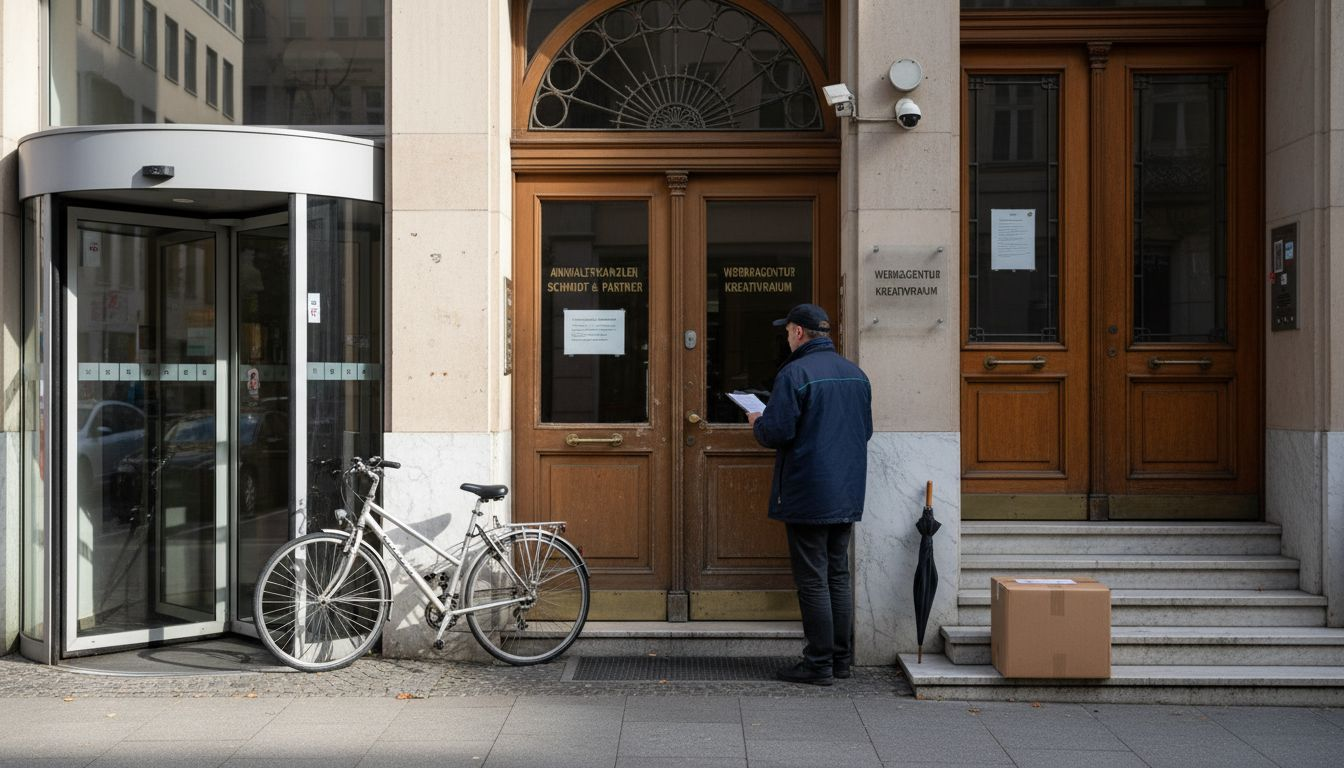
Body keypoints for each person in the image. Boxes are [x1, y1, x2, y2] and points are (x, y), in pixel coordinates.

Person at [748, 303, 873, 686]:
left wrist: (758, 421)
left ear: (798, 332)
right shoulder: (856, 373)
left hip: (807, 490)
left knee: (814, 579)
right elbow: (865, 431)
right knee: (837, 573)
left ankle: (818, 662)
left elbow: (778, 432)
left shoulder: (795, 372)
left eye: (787, 332)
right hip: (846, 490)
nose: (786, 338)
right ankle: (841, 660)